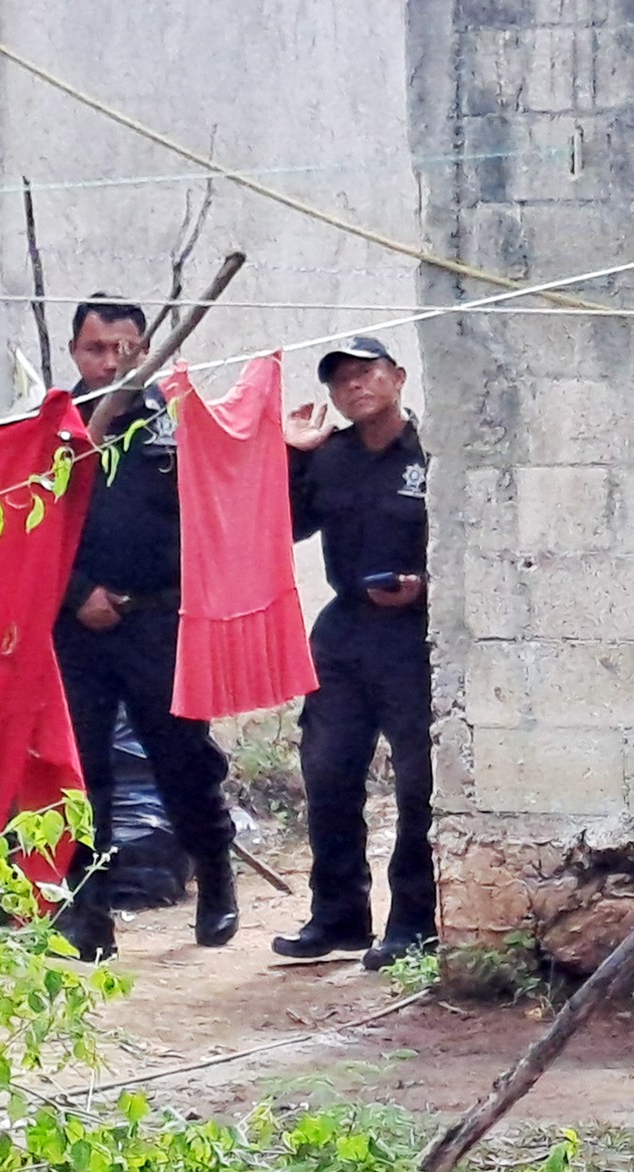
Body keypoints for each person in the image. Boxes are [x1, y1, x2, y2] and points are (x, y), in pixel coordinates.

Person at [51, 295, 239, 962]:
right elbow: (25, 527)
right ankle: (88, 911)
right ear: (75, 352)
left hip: (159, 621)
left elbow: (219, 510)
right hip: (74, 628)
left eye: (125, 348)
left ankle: (214, 871)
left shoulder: (177, 420)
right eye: (97, 349)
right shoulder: (52, 427)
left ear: (145, 348)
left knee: (184, 763)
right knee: (82, 774)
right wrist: (78, 595)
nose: (111, 362)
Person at [272, 337, 436, 971]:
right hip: (345, 629)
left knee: (419, 783)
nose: (354, 388)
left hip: (416, 632)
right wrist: (290, 456)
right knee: (329, 772)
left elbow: (472, 538)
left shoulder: (431, 454)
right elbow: (284, 525)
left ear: (396, 378)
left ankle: (413, 924)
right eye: (341, 382)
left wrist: (424, 585)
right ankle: (338, 917)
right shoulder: (331, 457)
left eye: (367, 375)